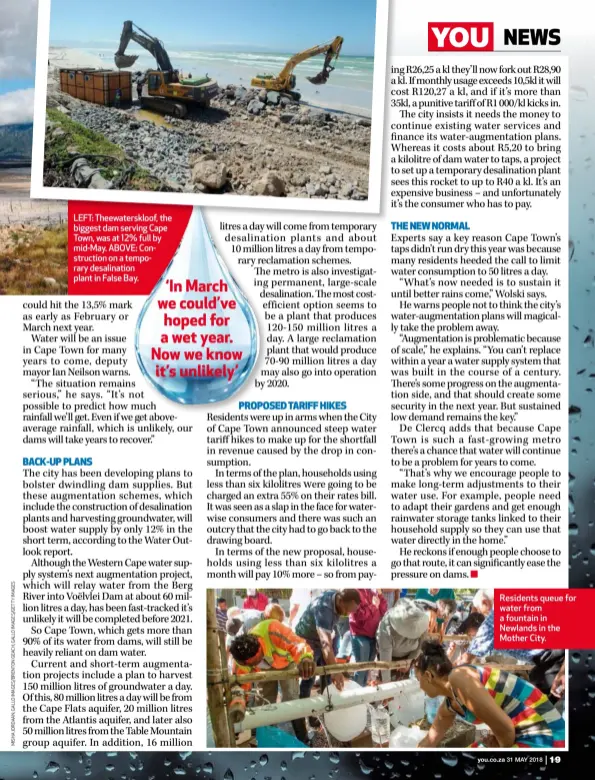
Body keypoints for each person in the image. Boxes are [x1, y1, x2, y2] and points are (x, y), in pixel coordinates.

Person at [415, 641, 565, 748]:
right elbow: (429, 741)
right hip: (521, 733)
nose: (419, 686)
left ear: (428, 676)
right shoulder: (449, 704)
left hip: (543, 733)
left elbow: (506, 730)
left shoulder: (459, 677)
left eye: (418, 679)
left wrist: (498, 745)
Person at [229, 619, 315, 744]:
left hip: (287, 664)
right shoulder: (240, 661)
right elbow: (241, 688)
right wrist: (238, 710)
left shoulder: (273, 629)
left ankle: (303, 739)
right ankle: (270, 739)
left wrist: (305, 658)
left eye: (257, 660)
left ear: (260, 646)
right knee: (265, 705)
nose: (255, 665)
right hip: (263, 673)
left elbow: (298, 644)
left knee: (292, 700)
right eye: (251, 665)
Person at [295, 589, 361, 695]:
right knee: (310, 674)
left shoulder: (337, 597)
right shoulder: (323, 608)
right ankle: (304, 704)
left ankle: (327, 701)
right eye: (347, 610)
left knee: (328, 673)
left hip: (324, 635)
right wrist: (335, 670)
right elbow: (325, 644)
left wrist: (333, 668)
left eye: (350, 612)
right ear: (340, 601)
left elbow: (326, 641)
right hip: (307, 638)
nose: (347, 614)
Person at [376, 599, 430, 682]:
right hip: (389, 658)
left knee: (402, 685)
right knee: (386, 682)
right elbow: (385, 662)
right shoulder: (386, 626)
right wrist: (386, 685)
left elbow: (421, 645)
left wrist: (409, 661)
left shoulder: (419, 620)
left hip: (408, 657)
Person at [349, 589, 387, 686]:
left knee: (367, 670)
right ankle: (355, 697)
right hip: (360, 635)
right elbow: (359, 616)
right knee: (361, 670)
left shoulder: (372, 592)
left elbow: (383, 610)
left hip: (373, 636)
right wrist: (374, 606)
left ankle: (361, 696)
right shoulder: (355, 592)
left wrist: (381, 595)